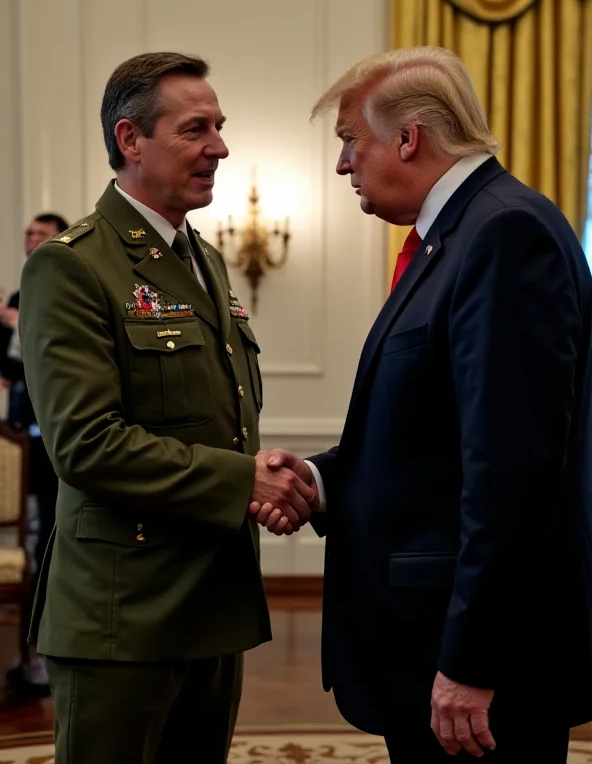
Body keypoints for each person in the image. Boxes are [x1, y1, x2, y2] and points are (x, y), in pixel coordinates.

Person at [250, 46, 592, 762]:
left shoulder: (503, 234)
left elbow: (511, 474)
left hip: (475, 666)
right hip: (429, 643)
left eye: (350, 140)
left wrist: (472, 663)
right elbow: (430, 439)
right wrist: (316, 481)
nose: (343, 163)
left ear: (408, 139)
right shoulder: (454, 238)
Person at [18, 52, 316, 764]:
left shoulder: (204, 260)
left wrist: (262, 468)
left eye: (219, 127)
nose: (220, 146)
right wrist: (244, 480)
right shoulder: (73, 265)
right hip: (124, 615)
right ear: (130, 140)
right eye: (196, 129)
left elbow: (220, 415)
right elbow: (86, 443)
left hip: (212, 602)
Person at [0, 212, 68, 697]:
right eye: (28, 235)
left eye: (40, 235)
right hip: (17, 431)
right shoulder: (18, 296)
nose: (31, 241)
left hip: (53, 441)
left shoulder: (65, 281)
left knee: (48, 530)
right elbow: (8, 368)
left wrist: (16, 325)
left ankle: (45, 649)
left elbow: (47, 356)